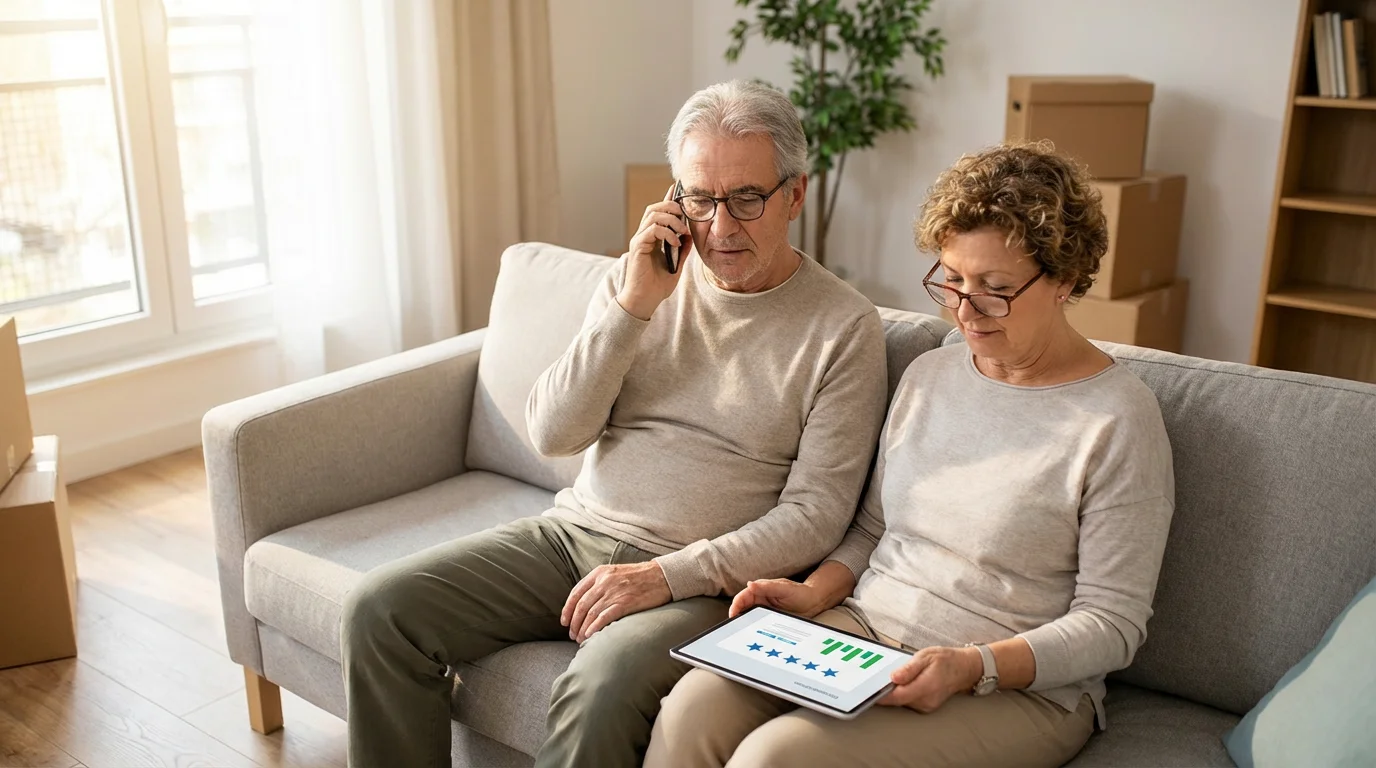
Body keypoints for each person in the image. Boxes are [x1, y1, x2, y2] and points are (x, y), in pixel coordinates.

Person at [338, 79, 889, 768]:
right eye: (700, 197)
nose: (720, 227)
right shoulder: (642, 282)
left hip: (708, 583)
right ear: (675, 197)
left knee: (601, 686)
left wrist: (666, 576)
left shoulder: (844, 327)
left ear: (795, 195)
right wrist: (631, 307)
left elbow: (817, 516)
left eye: (747, 198)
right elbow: (552, 433)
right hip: (573, 534)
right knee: (381, 613)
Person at [646, 141, 1176, 768]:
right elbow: (874, 526)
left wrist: (972, 667)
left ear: (1063, 279)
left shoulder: (1117, 420)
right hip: (866, 633)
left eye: (995, 288)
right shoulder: (930, 374)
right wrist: (816, 593)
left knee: (776, 758)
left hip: (1016, 687)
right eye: (952, 281)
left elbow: (1113, 625)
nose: (965, 310)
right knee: (693, 707)